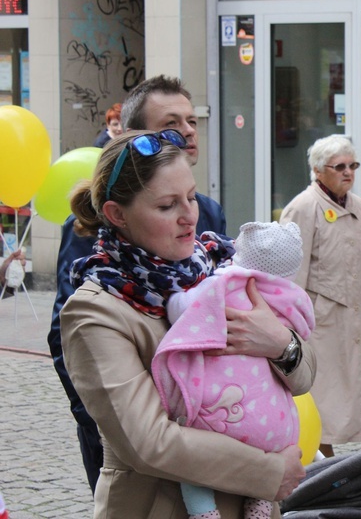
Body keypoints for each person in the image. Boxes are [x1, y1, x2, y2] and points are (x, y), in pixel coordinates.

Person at [61, 131, 315, 517]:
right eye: (167, 206)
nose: (189, 216)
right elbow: (147, 442)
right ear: (117, 214)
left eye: (191, 197)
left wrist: (280, 343)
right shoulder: (96, 312)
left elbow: (306, 377)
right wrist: (268, 473)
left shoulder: (223, 267)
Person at [47, 75, 227, 494]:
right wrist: (98, 420)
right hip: (136, 451)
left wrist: (280, 346)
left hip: (214, 433)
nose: (185, 131)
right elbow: (68, 332)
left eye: (191, 120)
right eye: (170, 124)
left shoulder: (209, 215)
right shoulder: (94, 234)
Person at [153, 220, 314, 519]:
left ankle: (203, 513)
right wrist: (285, 338)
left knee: (193, 466)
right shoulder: (292, 297)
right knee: (265, 446)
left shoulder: (221, 283)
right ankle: (260, 503)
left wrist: (172, 298)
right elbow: (307, 331)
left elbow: (180, 308)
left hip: (219, 409)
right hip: (272, 421)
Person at [279, 135, 361, 458]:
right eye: (340, 167)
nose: (348, 173)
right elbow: (291, 274)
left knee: (344, 396)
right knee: (319, 397)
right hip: (319, 325)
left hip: (351, 322)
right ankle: (321, 462)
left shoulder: (359, 206)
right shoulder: (303, 207)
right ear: (319, 171)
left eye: (353, 166)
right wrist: (293, 326)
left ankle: (325, 461)